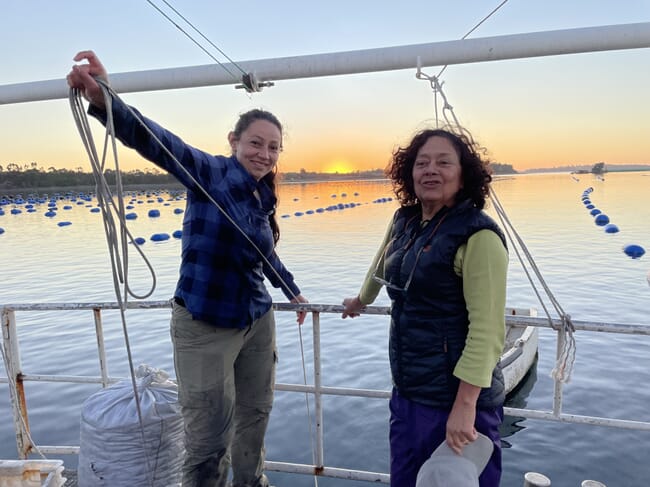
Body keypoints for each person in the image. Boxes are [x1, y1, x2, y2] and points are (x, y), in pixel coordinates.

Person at [67, 50, 308, 487]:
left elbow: (264, 254)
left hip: (257, 319)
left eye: (274, 147)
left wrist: (292, 291)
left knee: (254, 420)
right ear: (233, 141)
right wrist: (105, 99)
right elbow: (159, 142)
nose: (265, 153)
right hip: (205, 324)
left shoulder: (263, 196)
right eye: (256, 142)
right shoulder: (209, 174)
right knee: (207, 439)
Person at [341, 127, 508, 487]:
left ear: (464, 174)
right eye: (422, 163)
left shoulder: (479, 236)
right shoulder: (406, 219)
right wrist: (361, 299)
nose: (431, 170)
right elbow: (380, 264)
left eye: (444, 162)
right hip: (409, 390)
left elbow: (488, 332)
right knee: (407, 480)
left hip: (458, 401)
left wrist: (464, 408)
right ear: (409, 172)